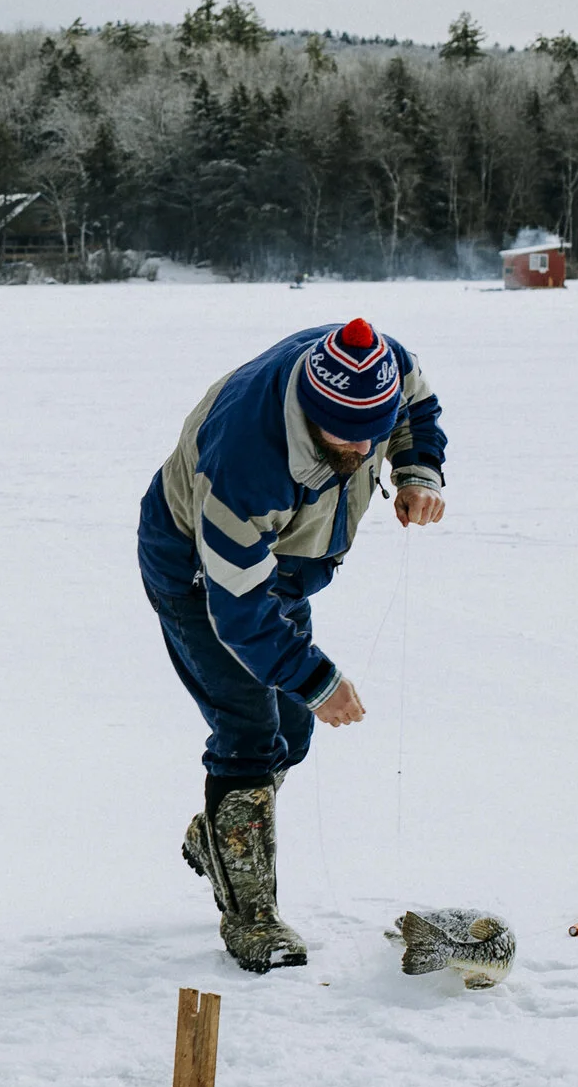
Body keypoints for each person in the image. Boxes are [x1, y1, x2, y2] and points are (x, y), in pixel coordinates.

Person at [137, 318, 448, 972]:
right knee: (252, 729)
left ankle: (228, 838)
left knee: (294, 733)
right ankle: (251, 917)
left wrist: (417, 468)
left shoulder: (378, 363)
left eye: (374, 430)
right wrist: (318, 678)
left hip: (277, 569)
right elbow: (240, 613)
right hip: (198, 572)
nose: (364, 449)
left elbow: (414, 398)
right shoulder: (244, 458)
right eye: (346, 434)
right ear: (309, 412)